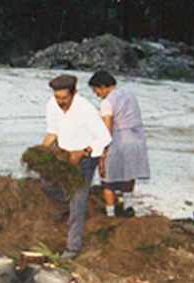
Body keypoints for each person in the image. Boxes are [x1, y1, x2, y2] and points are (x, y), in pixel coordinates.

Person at [41, 74, 111, 259]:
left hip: (86, 158)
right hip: (64, 155)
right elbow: (52, 132)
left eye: (64, 98)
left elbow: (104, 138)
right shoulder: (52, 105)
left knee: (78, 200)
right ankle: (64, 206)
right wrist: (41, 151)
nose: (60, 102)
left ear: (74, 93)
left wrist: (83, 152)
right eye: (57, 98)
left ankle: (73, 247)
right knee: (47, 184)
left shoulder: (86, 110)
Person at [89, 70, 150, 218]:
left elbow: (107, 127)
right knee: (129, 173)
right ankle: (128, 205)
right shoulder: (130, 94)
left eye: (96, 91)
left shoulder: (107, 102)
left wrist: (102, 149)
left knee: (108, 178)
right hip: (137, 138)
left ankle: (110, 213)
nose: (97, 94)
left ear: (103, 87)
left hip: (120, 139)